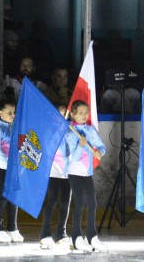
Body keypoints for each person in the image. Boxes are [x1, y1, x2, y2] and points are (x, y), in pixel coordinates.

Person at [65, 100, 107, 252]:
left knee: (92, 203)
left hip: (87, 172)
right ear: (73, 114)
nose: (84, 115)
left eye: (86, 112)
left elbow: (102, 146)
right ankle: (76, 236)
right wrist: (80, 145)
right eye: (80, 113)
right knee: (80, 202)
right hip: (74, 172)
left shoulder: (90, 130)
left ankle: (92, 236)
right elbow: (74, 158)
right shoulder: (70, 133)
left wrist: (100, 152)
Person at [0, 98, 22, 243]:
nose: (13, 115)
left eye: (14, 112)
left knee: (14, 198)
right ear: (0, 113)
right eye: (9, 112)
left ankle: (12, 228)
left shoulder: (15, 128)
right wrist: (11, 165)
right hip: (2, 169)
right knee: (3, 198)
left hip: (14, 168)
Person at [39, 105, 71, 249]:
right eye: (59, 113)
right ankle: (45, 233)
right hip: (53, 172)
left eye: (64, 113)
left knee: (65, 203)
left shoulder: (70, 129)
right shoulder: (48, 130)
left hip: (68, 172)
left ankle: (61, 233)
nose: (62, 116)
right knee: (52, 201)